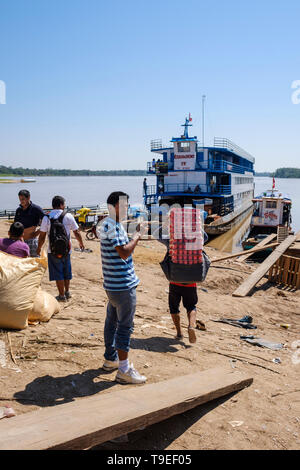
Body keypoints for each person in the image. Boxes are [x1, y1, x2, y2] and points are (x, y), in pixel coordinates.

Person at [98, 191, 148, 384]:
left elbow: (119, 247)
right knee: (125, 327)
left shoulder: (109, 224)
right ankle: (124, 370)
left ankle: (111, 359)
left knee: (111, 322)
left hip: (112, 284)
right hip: (122, 285)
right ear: (114, 206)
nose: (127, 208)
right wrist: (137, 236)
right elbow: (124, 253)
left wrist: (131, 234)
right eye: (125, 205)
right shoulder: (112, 225)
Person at [37, 195, 85, 302]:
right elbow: (76, 232)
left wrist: (39, 247)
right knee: (66, 270)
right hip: (67, 249)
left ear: (53, 205)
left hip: (52, 250)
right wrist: (81, 243)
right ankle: (67, 292)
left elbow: (42, 236)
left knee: (58, 272)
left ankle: (61, 295)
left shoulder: (47, 218)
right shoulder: (68, 216)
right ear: (61, 205)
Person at [14, 190, 45, 257]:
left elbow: (46, 221)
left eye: (23, 199)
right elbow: (15, 225)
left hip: (32, 241)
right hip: (20, 241)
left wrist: (38, 232)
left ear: (28, 198)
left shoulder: (36, 209)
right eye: (20, 199)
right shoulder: (18, 210)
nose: (21, 201)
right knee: (22, 264)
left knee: (36, 262)